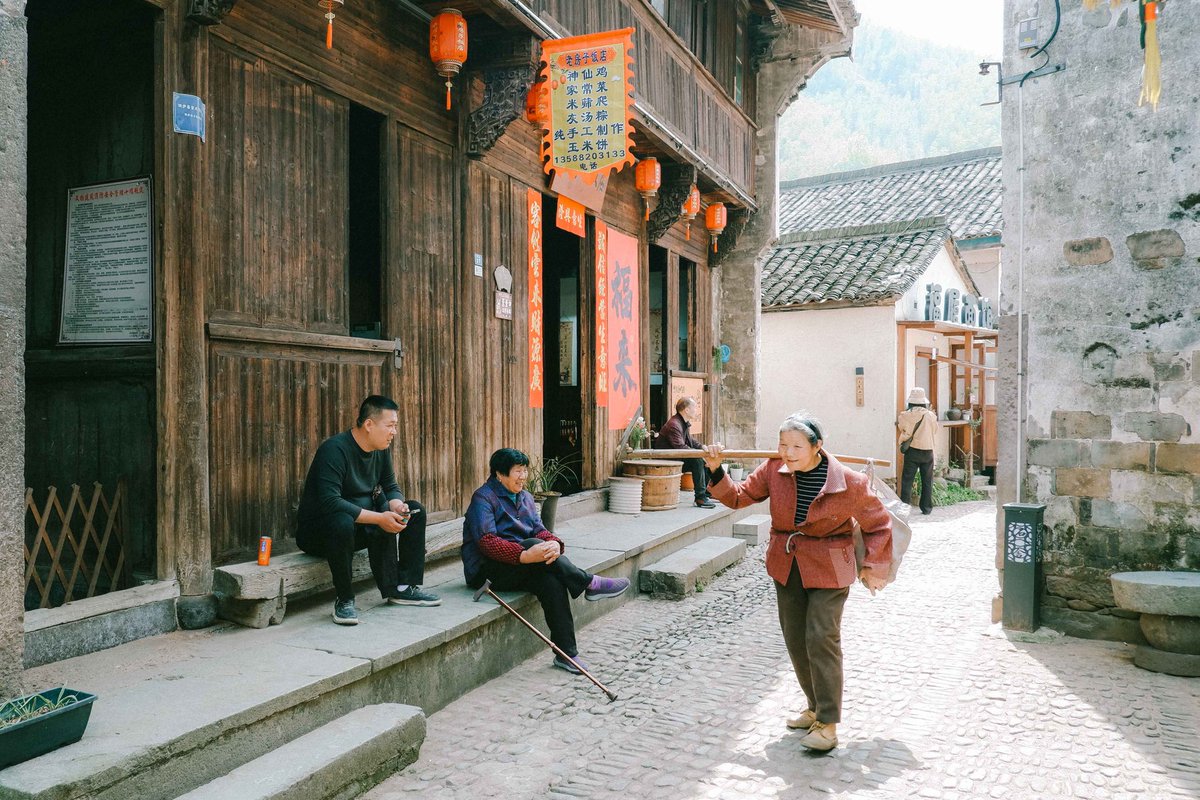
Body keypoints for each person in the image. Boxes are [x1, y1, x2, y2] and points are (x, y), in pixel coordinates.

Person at [703, 413, 892, 752]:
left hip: (831, 566)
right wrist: (716, 468)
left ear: (817, 447)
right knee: (795, 639)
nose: (787, 453)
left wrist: (873, 564)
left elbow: (879, 523)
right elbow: (738, 497)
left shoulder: (848, 482)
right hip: (787, 563)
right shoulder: (774, 471)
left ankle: (829, 723)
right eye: (782, 445)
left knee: (821, 636)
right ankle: (815, 707)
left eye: (796, 446)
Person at [463, 448, 631, 674]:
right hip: (487, 571)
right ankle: (589, 583)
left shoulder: (525, 497)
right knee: (532, 544)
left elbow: (539, 530)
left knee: (552, 583)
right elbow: (487, 542)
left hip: (523, 564)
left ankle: (566, 655)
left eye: (525, 471)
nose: (523, 477)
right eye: (517, 471)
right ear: (499, 474)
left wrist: (554, 543)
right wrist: (523, 555)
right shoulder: (483, 498)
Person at [296, 395, 440, 626]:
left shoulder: (380, 449)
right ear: (369, 424)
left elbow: (391, 486)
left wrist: (396, 505)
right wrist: (378, 518)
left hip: (359, 527)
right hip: (321, 533)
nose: (394, 432)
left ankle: (401, 588)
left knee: (415, 510)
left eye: (396, 426)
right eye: (390, 426)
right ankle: (344, 600)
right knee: (342, 522)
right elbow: (330, 502)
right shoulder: (334, 449)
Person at [655, 396, 715, 508]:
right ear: (686, 410)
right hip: (666, 460)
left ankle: (705, 494)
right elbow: (681, 447)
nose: (696, 410)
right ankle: (700, 497)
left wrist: (703, 447)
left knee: (706, 458)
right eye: (694, 408)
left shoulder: (681, 422)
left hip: (676, 457)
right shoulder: (674, 424)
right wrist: (699, 454)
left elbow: (690, 441)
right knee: (698, 460)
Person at [897, 387, 939, 515]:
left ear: (911, 402)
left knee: (907, 480)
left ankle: (904, 508)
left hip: (912, 451)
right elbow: (935, 430)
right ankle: (926, 508)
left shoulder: (904, 415)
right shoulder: (931, 416)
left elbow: (902, 428)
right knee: (927, 481)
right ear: (923, 402)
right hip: (927, 451)